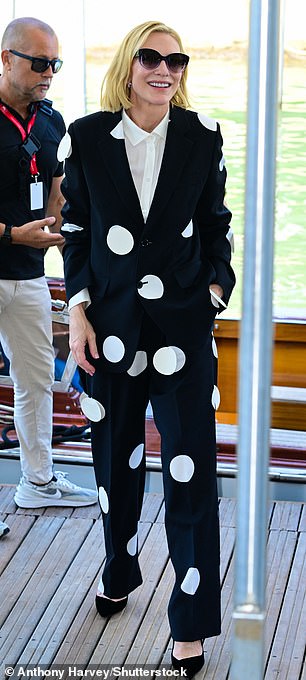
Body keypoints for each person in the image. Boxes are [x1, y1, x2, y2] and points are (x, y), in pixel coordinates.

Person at [61, 20, 235, 676]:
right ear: (128, 65)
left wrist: (213, 292)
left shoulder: (202, 138)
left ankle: (189, 624)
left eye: (177, 60)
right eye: (151, 57)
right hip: (107, 327)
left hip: (184, 332)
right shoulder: (85, 139)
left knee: (190, 471)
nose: (165, 69)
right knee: (115, 462)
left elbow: (217, 226)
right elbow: (75, 230)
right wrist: (78, 312)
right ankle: (118, 567)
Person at [0, 17, 97, 509]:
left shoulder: (50, 120)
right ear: (6, 59)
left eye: (55, 64)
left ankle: (36, 482)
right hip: (9, 254)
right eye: (39, 63)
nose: (49, 74)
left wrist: (59, 227)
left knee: (35, 381)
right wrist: (13, 234)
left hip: (28, 274)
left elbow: (55, 182)